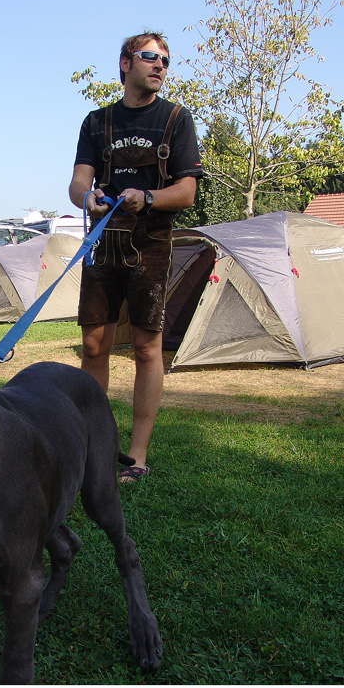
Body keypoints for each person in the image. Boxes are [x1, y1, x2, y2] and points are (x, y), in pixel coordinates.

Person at [68, 30, 203, 483]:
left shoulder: (177, 120)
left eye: (165, 59)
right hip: (103, 243)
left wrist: (146, 196)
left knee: (147, 348)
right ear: (125, 63)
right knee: (93, 347)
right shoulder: (96, 122)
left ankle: (137, 456)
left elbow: (186, 191)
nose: (160, 65)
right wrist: (89, 198)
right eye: (149, 57)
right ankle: (93, 448)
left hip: (151, 244)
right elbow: (77, 183)